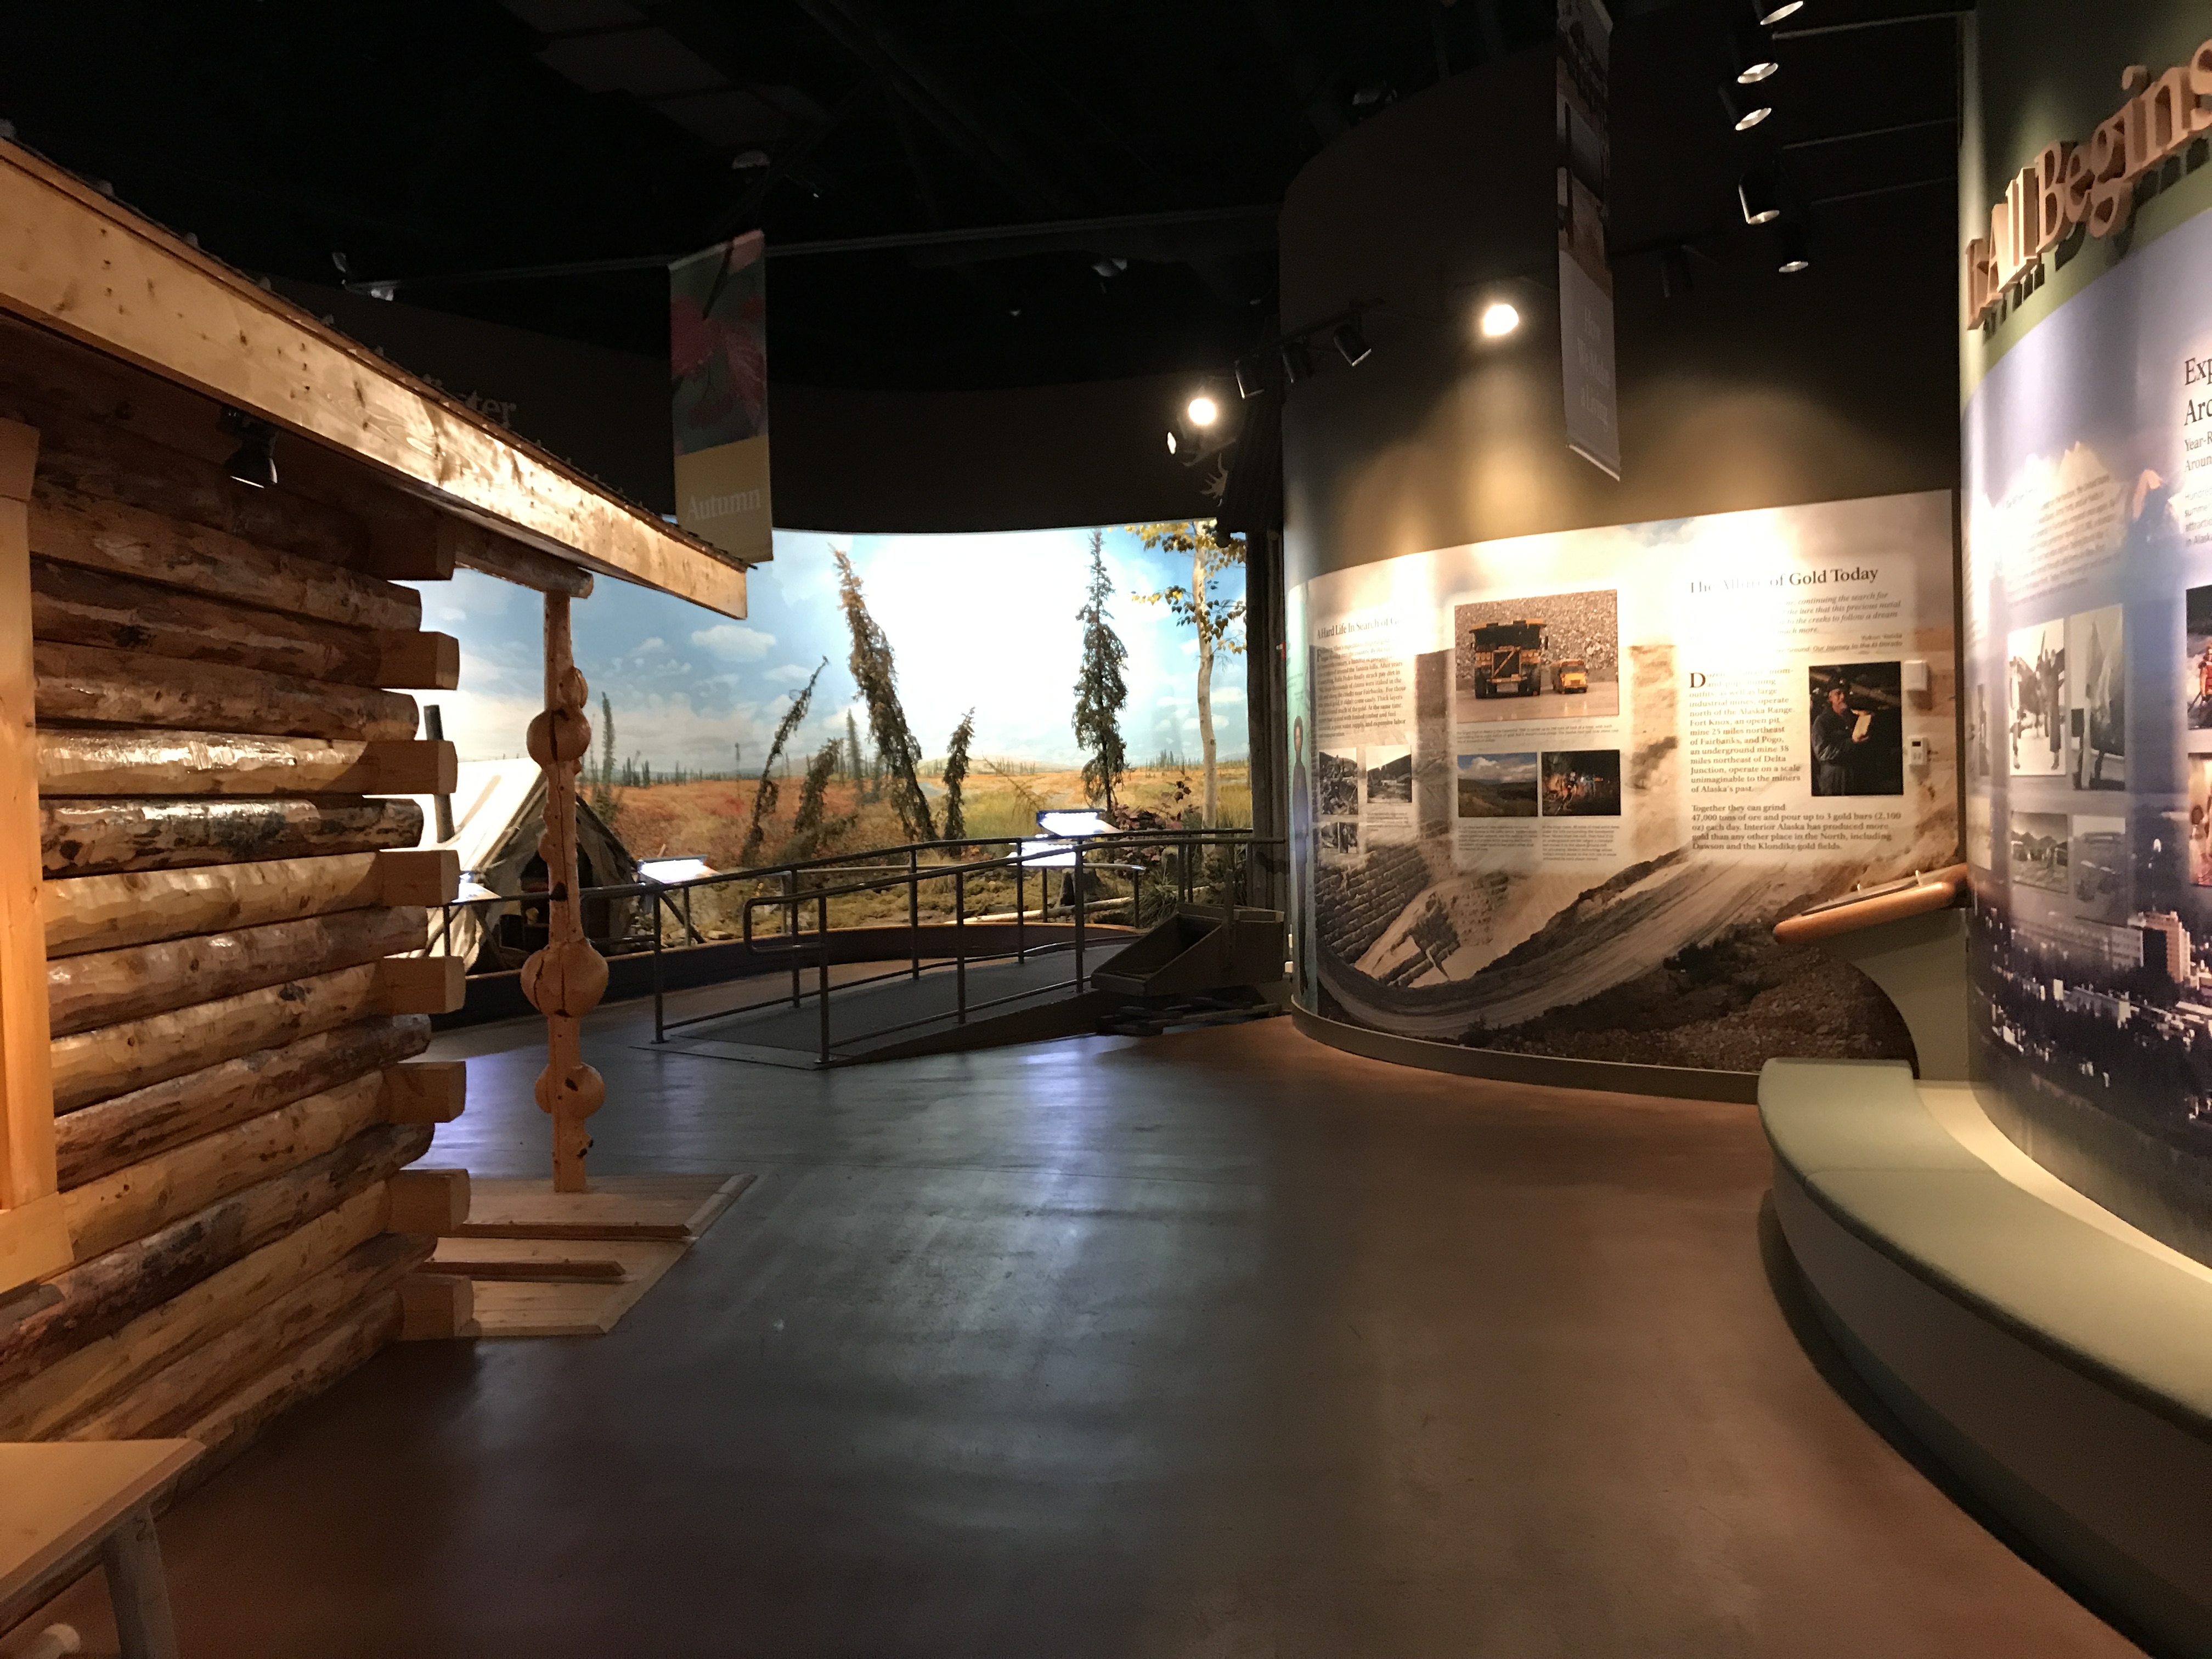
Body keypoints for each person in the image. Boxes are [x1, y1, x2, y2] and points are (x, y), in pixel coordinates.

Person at [1812, 682, 1867, 795]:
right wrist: (1852, 742)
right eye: (1838, 693)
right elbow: (1823, 752)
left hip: (1855, 777)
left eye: (1846, 693)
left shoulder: (1854, 719)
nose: (1843, 697)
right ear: (1830, 697)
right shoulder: (1823, 722)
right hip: (1834, 780)